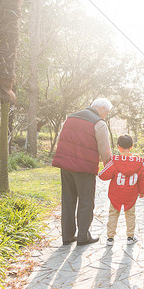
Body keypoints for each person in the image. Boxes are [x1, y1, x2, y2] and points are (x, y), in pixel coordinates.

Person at [52, 98, 113, 246]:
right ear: (102, 109)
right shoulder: (99, 123)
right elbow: (105, 151)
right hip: (84, 168)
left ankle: (67, 236)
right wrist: (109, 167)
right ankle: (83, 236)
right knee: (86, 201)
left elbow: (61, 139)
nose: (106, 115)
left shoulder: (70, 117)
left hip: (66, 166)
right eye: (107, 112)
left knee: (68, 200)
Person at [98, 134, 144, 246]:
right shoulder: (139, 163)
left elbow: (102, 176)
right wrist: (142, 191)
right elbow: (142, 178)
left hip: (116, 194)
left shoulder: (114, 161)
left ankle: (110, 238)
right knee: (130, 215)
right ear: (132, 146)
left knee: (113, 214)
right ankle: (130, 237)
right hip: (131, 194)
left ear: (118, 146)